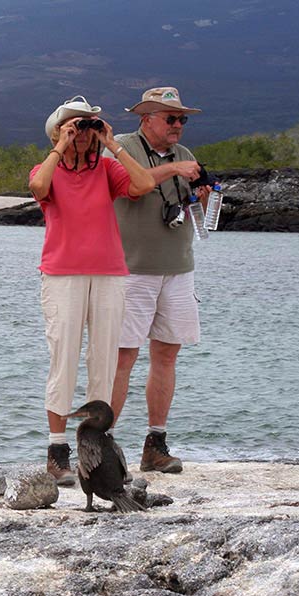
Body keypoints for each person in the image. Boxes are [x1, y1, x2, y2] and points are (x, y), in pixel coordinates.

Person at [29, 95, 154, 485]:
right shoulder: (47, 167)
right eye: (75, 125)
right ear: (58, 131)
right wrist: (60, 147)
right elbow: (38, 187)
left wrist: (113, 144)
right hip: (62, 274)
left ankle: (99, 450)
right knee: (63, 358)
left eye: (88, 126)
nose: (83, 132)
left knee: (104, 361)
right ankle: (57, 451)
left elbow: (145, 184)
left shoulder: (107, 168)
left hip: (109, 273)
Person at [105, 86, 209, 474]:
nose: (178, 125)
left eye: (182, 119)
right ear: (146, 119)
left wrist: (203, 196)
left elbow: (194, 212)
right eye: (171, 118)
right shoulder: (121, 148)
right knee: (122, 358)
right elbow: (132, 185)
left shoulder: (185, 154)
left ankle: (156, 444)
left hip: (178, 268)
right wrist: (173, 170)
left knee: (166, 355)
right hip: (131, 271)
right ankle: (103, 447)